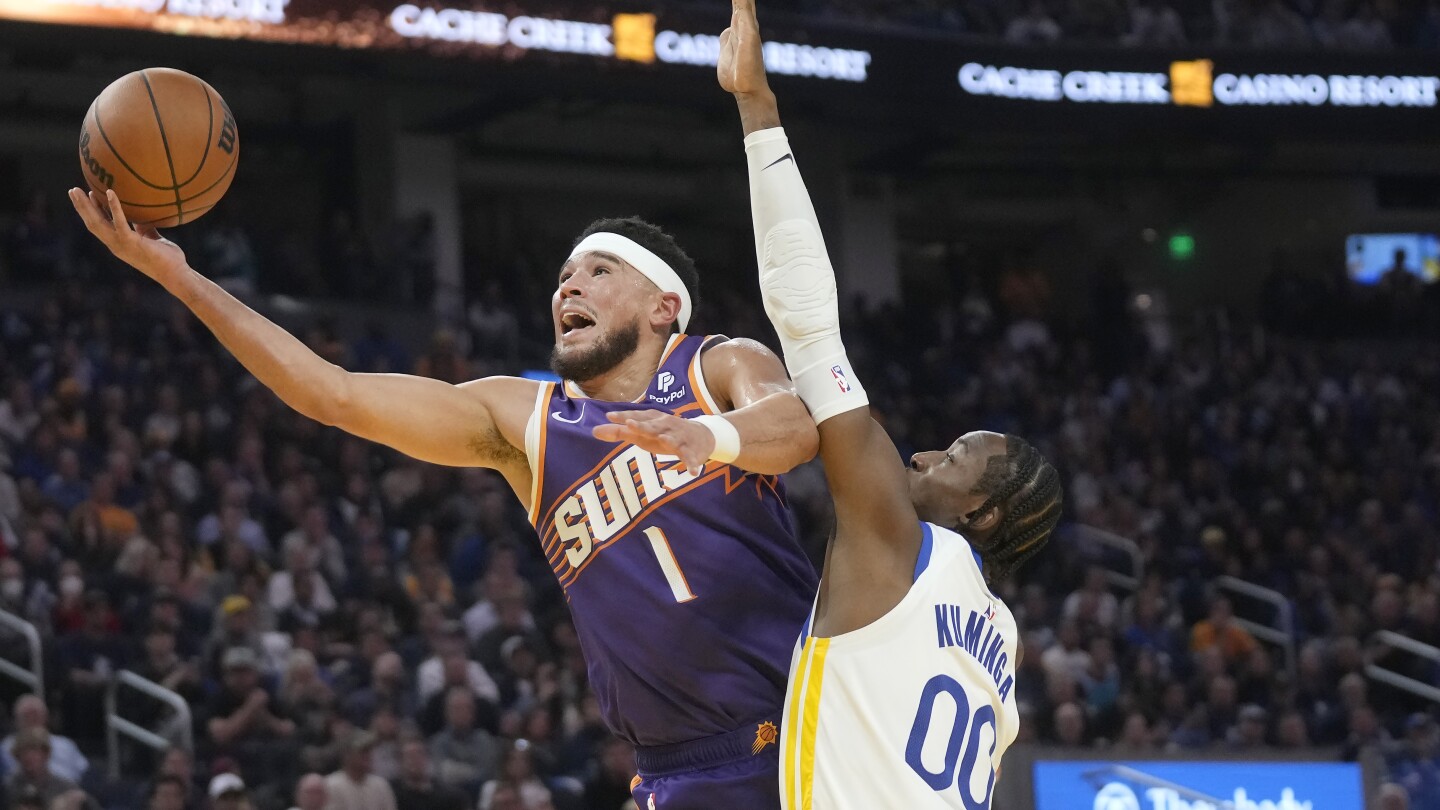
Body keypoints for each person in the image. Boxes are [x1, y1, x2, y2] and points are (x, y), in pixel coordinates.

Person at [71, 126, 821, 807]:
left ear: (664, 307)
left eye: (597, 271)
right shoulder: (528, 420)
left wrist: (708, 440)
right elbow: (332, 394)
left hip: (806, 725)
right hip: (676, 768)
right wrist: (177, 278)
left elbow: (796, 427)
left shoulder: (716, 365)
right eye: (564, 276)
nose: (569, 286)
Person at [609, 2, 1062, 805]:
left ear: (982, 514)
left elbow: (810, 330)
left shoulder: (899, 540)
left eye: (955, 458)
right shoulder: (1004, 640)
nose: (924, 454)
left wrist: (759, 110)